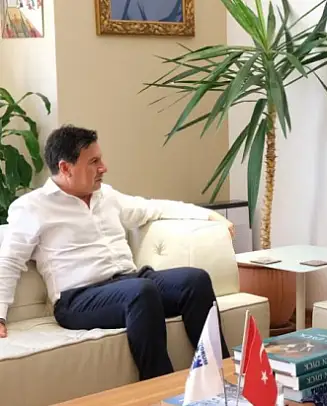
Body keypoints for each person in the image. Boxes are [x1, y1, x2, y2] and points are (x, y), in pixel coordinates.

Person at [0, 125, 235, 380]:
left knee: (195, 280)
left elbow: (152, 208)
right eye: (94, 162)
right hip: (78, 299)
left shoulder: (106, 196)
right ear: (66, 168)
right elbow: (9, 260)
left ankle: (221, 378)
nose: (104, 168)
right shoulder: (32, 207)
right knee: (140, 292)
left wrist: (209, 216)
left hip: (130, 282)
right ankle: (160, 389)